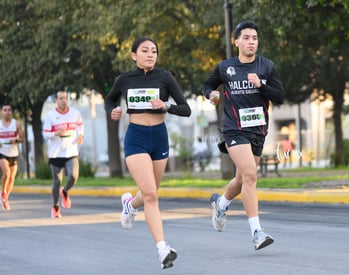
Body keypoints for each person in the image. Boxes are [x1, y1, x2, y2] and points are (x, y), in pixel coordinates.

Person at [105, 36, 191, 269]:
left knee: (149, 191)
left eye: (154, 50)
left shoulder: (165, 78)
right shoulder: (124, 79)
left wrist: (166, 106)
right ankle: (162, 248)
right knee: (151, 194)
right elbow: (110, 99)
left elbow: (186, 109)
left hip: (159, 137)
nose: (151, 54)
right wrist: (113, 110)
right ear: (134, 55)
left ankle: (131, 205)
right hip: (136, 138)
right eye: (145, 50)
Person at [202, 21, 285, 250]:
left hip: (258, 129)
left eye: (255, 38)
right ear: (236, 41)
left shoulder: (266, 66)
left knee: (241, 180)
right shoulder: (225, 68)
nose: (251, 42)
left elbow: (279, 96)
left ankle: (221, 204)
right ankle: (257, 232)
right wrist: (211, 94)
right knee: (250, 175)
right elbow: (206, 85)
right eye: (246, 38)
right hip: (234, 129)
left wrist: (261, 86)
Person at [42, 91, 84, 218]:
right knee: (57, 181)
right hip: (55, 154)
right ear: (56, 100)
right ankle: (55, 206)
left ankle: (65, 191)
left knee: (73, 176)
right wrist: (56, 133)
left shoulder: (75, 113)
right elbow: (45, 134)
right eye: (61, 98)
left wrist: (81, 135)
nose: (64, 100)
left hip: (71, 151)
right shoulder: (50, 116)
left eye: (65, 98)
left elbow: (80, 125)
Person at [0, 103, 24, 210]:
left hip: (13, 153)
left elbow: (22, 139)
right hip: (2, 153)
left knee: (12, 178)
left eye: (9, 110)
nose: (7, 112)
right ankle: (3, 192)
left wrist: (16, 140)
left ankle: (6, 198)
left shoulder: (17, 124)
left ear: (12, 112)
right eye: (5, 110)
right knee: (7, 173)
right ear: (1, 112)